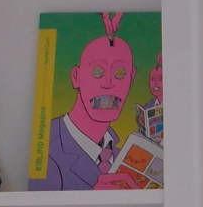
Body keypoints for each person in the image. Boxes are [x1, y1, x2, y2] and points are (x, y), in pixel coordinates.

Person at [35, 15, 134, 189]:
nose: (108, 83)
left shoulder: (125, 158)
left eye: (120, 73)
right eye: (97, 71)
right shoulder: (45, 149)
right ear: (76, 77)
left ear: (131, 80)